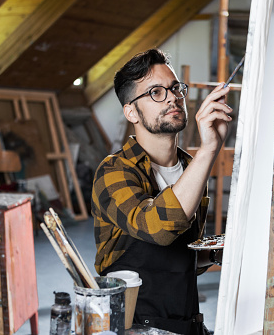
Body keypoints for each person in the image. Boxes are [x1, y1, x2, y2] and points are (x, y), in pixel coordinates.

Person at [91, 48, 232, 335]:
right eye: (156, 92)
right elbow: (157, 228)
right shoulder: (114, 171)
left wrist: (219, 253)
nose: (172, 98)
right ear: (131, 111)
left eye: (174, 89)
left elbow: (181, 254)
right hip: (134, 328)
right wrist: (209, 149)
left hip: (188, 324)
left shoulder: (190, 167)